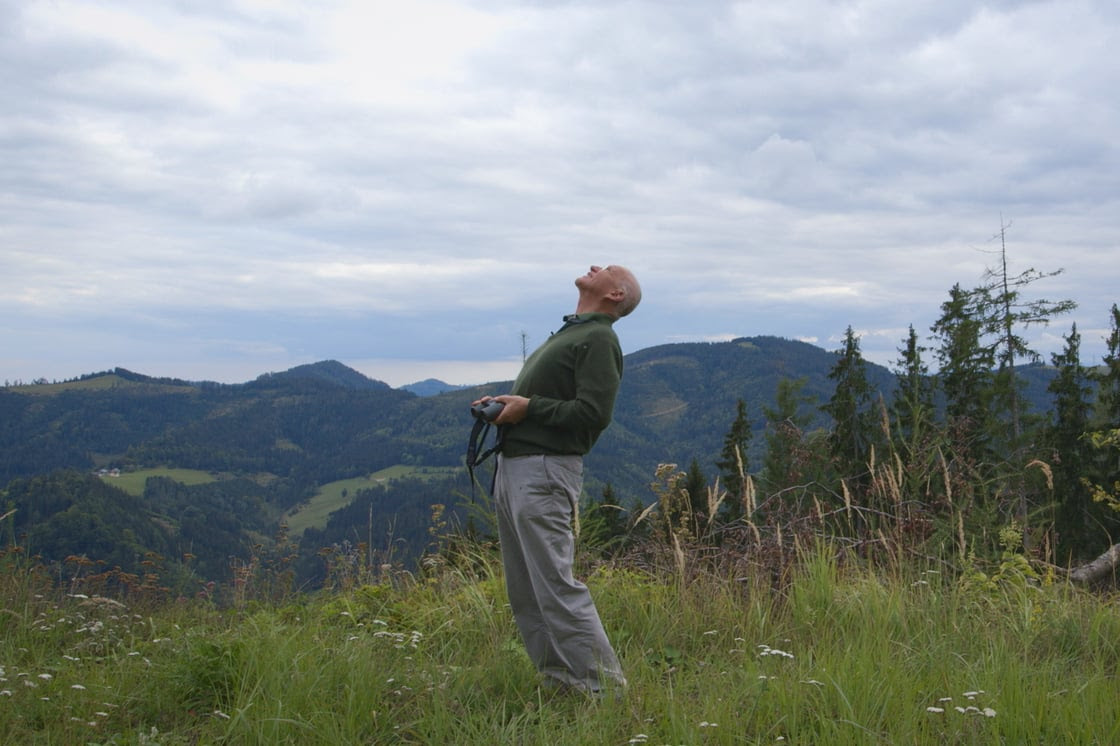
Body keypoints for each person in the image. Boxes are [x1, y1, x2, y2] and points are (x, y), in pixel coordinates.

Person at [473, 264, 641, 697]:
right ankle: (564, 684)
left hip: (544, 470)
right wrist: (507, 405)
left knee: (555, 586)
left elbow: (592, 415)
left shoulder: (599, 337)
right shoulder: (574, 332)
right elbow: (549, 403)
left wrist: (528, 409)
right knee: (527, 591)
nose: (593, 268)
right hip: (519, 466)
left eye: (605, 270)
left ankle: (607, 693)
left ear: (615, 294)